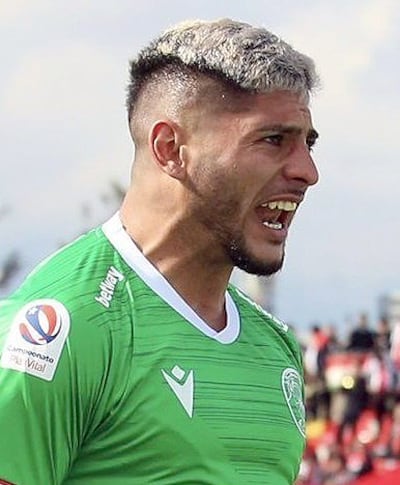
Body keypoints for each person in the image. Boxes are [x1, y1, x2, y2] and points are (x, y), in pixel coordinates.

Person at [0, 18, 319, 484]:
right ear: (170, 148)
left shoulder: (275, 346)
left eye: (307, 144)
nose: (308, 171)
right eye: (273, 140)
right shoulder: (66, 325)